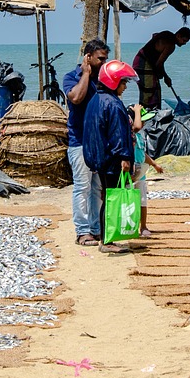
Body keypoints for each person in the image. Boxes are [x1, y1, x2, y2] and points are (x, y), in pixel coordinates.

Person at [83, 60, 139, 254]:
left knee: (108, 196)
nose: (124, 87)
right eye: (123, 83)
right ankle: (107, 241)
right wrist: (124, 158)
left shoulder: (95, 100)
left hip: (100, 158)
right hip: (112, 160)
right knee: (112, 198)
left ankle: (106, 236)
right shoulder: (113, 104)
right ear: (114, 82)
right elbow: (117, 134)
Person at [63, 39, 110, 247]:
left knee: (97, 187)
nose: (103, 62)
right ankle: (82, 232)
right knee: (82, 187)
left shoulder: (103, 80)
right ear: (88, 57)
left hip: (99, 143)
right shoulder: (72, 77)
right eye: (100, 58)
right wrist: (86, 74)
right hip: (80, 141)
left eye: (105, 59)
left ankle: (96, 228)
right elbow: (76, 98)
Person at [133, 27, 190, 109]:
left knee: (156, 90)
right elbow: (159, 63)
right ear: (178, 36)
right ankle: (143, 115)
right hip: (143, 63)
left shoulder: (167, 34)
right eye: (184, 40)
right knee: (148, 92)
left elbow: (159, 60)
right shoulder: (171, 45)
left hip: (142, 61)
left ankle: (153, 113)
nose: (184, 43)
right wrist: (165, 77)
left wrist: (163, 75)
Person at [131, 104, 164, 238]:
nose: (143, 123)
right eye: (141, 120)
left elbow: (142, 154)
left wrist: (154, 164)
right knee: (130, 200)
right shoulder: (130, 134)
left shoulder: (139, 137)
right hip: (131, 174)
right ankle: (130, 225)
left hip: (141, 174)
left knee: (143, 200)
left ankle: (143, 226)